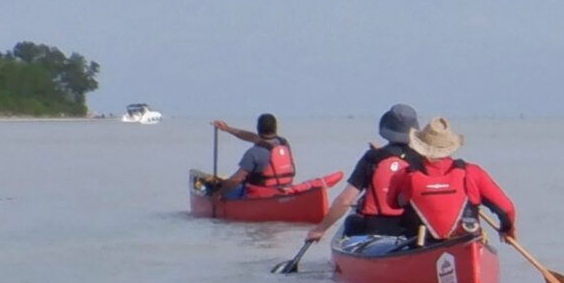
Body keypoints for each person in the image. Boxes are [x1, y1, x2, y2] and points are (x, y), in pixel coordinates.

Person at [304, 103, 420, 245]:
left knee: (351, 221)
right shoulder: (422, 160)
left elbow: (345, 201)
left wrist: (320, 229)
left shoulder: (372, 158)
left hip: (372, 229)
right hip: (408, 231)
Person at [396, 118, 518, 245]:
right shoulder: (472, 172)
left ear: (420, 148)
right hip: (466, 242)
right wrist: (507, 229)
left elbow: (393, 204)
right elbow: (507, 209)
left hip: (422, 245)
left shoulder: (407, 175)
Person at [199, 115, 296, 199]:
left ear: (258, 128)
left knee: (221, 189)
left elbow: (236, 180)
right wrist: (227, 128)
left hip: (261, 193)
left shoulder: (254, 153)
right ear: (275, 128)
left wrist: (218, 193)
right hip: (284, 189)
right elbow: (251, 136)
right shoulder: (283, 143)